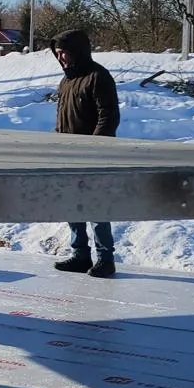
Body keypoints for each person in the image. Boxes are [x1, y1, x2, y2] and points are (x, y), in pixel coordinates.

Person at [51, 28, 119, 278]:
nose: (61, 59)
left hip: (93, 154)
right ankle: (80, 254)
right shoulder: (66, 81)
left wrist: (96, 147)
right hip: (67, 152)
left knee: (96, 207)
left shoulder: (98, 77)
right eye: (58, 54)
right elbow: (64, 116)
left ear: (77, 52)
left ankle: (105, 258)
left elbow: (108, 115)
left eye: (65, 53)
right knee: (72, 205)